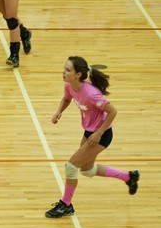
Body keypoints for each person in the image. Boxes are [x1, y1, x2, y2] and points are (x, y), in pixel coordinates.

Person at [45, 56, 140, 218]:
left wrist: (99, 133)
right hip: (89, 132)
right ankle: (129, 177)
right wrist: (59, 111)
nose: (63, 72)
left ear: (78, 75)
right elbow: (67, 98)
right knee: (87, 170)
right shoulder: (69, 85)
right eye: (64, 69)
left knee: (71, 166)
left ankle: (66, 204)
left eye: (68, 70)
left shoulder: (91, 95)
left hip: (101, 135)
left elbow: (113, 111)